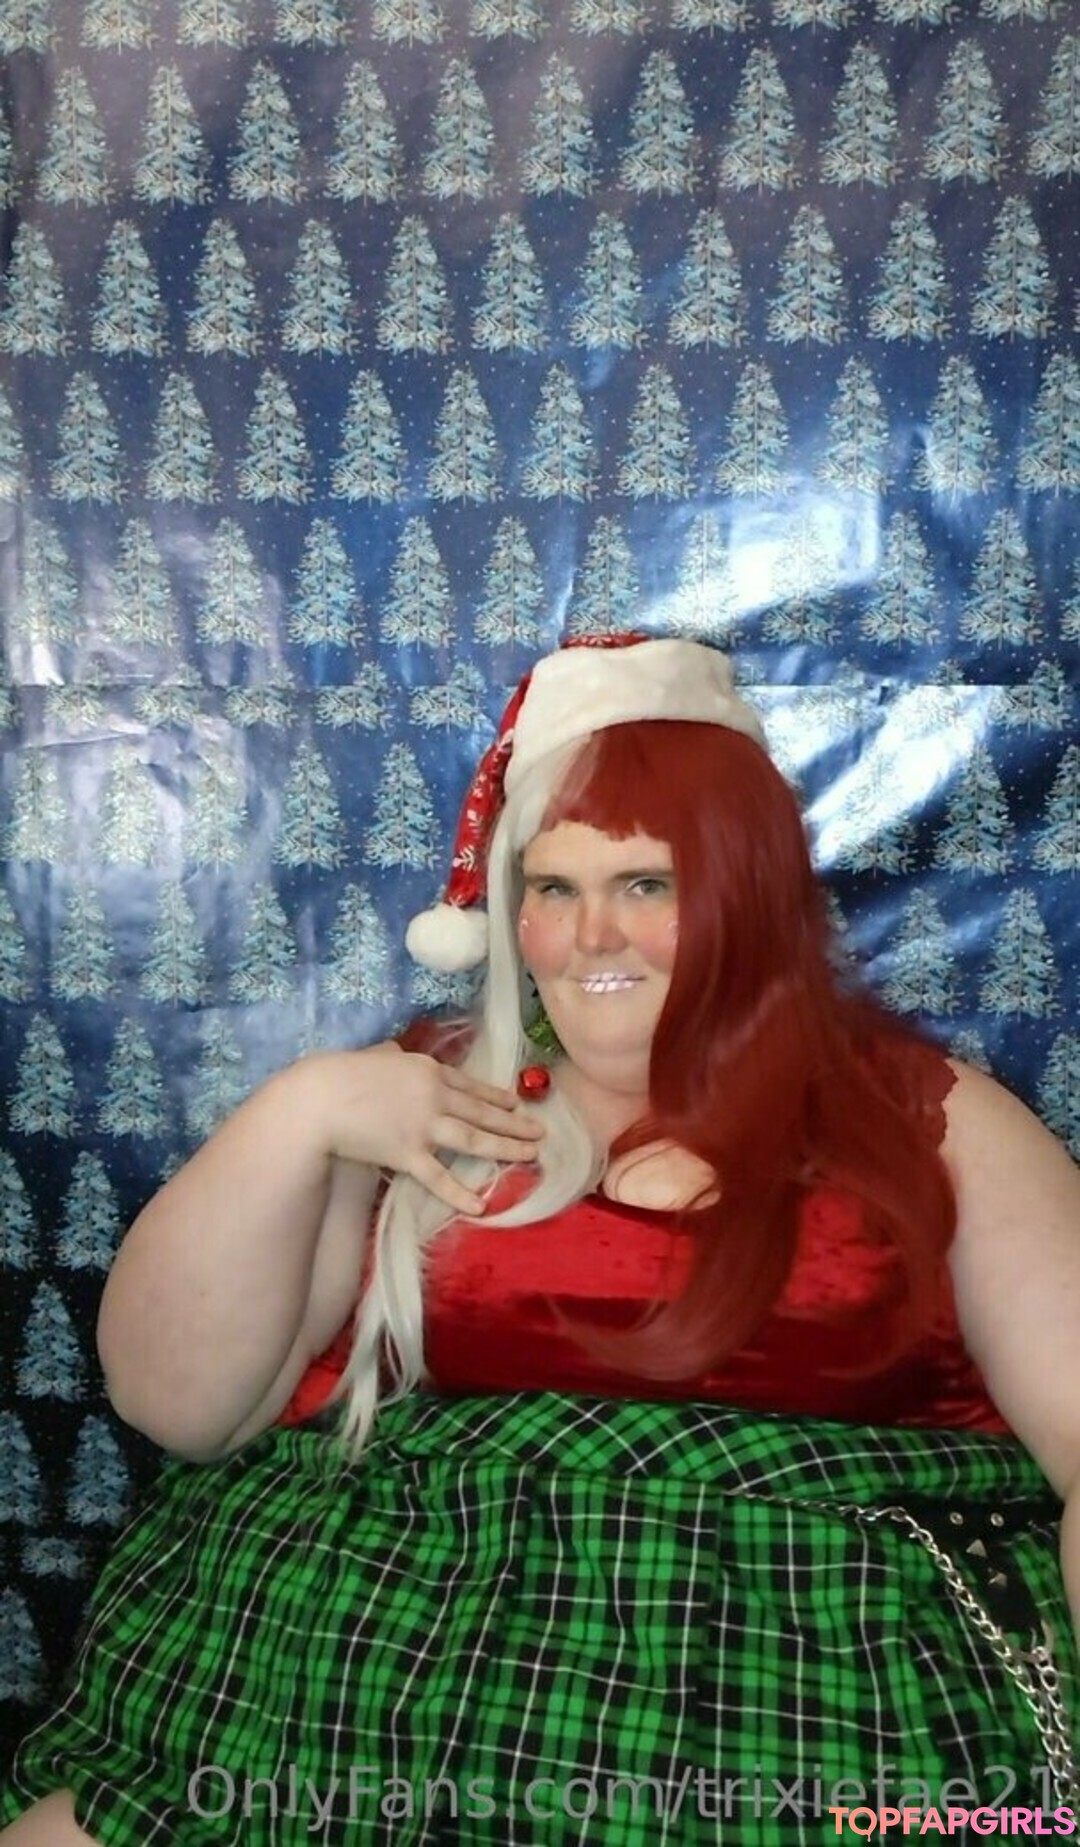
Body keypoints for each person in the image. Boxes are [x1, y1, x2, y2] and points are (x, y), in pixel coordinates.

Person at [1, 634, 1079, 1847]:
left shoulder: (927, 1118)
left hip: (814, 1698)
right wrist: (298, 1113)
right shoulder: (415, 1098)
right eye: (553, 887)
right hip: (373, 1687)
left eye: (648, 883)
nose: (591, 934)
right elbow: (179, 1406)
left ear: (749, 890)